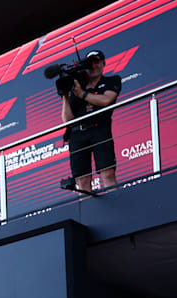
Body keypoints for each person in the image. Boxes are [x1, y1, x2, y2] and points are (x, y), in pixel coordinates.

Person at [61, 50, 121, 193]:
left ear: (103, 63)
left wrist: (83, 94)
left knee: (107, 174)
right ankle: (89, 212)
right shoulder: (76, 89)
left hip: (100, 129)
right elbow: (67, 120)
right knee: (83, 180)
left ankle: (117, 207)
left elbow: (106, 100)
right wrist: (65, 96)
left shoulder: (112, 81)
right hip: (77, 134)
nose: (94, 66)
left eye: (97, 62)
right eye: (90, 63)